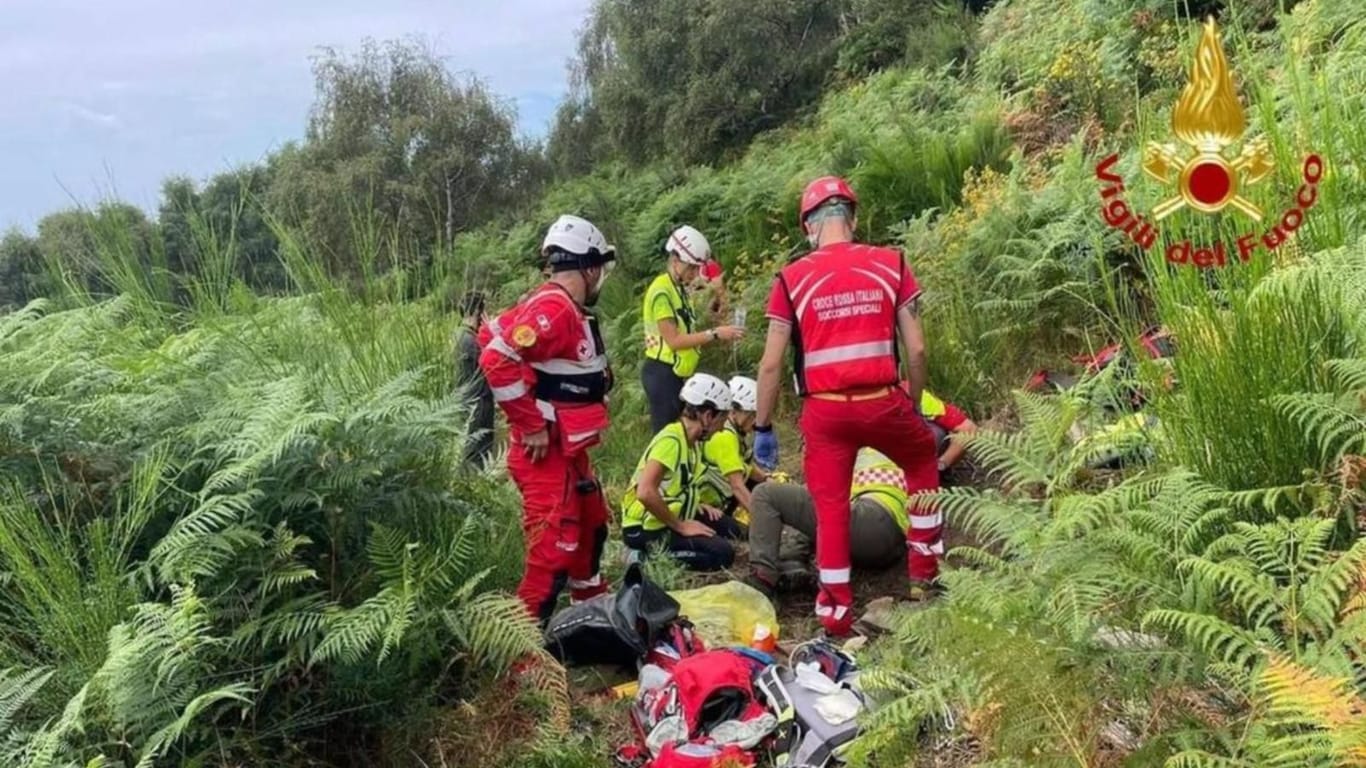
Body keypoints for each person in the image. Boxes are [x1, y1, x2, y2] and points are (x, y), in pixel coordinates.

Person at [752, 175, 941, 636]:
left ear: (808, 228)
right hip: (883, 401)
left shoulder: (791, 279)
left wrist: (762, 426)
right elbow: (915, 350)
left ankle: (834, 614)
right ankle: (925, 578)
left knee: (831, 506)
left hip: (826, 412)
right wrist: (913, 407)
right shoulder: (891, 263)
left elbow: (772, 364)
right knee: (921, 460)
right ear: (852, 219)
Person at [478, 214, 618, 624]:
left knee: (592, 522)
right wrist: (530, 424)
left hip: (568, 446)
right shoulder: (556, 309)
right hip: (546, 451)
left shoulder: (554, 306)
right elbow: (496, 359)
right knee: (553, 549)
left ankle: (588, 608)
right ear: (590, 267)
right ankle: (522, 649)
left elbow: (494, 336)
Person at [743, 445, 914, 598]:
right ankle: (792, 563)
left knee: (765, 494)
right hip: (892, 541)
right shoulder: (892, 453)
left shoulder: (849, 450)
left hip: (870, 520)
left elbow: (813, 497)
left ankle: (763, 579)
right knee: (818, 511)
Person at [621, 373, 745, 571]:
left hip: (665, 517)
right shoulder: (670, 442)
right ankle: (642, 556)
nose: (722, 428)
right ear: (707, 416)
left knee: (730, 529)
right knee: (722, 554)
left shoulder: (692, 443)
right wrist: (680, 526)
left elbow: (677, 485)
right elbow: (645, 492)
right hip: (644, 527)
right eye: (722, 418)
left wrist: (697, 505)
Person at [641, 226, 745, 433]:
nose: (695, 274)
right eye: (691, 268)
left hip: (679, 372)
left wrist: (717, 303)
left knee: (686, 435)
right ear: (675, 260)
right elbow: (675, 340)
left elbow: (688, 323)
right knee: (667, 440)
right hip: (662, 373)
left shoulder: (679, 289)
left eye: (697, 268)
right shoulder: (662, 291)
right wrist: (714, 333)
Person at [698, 375, 769, 526]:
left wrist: (767, 478)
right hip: (706, 507)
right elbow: (737, 485)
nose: (755, 421)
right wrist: (765, 520)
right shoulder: (725, 437)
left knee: (767, 488)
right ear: (734, 411)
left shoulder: (735, 432)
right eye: (751, 415)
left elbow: (743, 465)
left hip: (720, 497)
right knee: (740, 532)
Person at [454, 290, 496, 469]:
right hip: (478, 402)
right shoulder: (471, 340)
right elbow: (493, 366)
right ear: (479, 312)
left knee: (469, 448)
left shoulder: (458, 335)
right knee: (478, 454)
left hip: (465, 400)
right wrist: (492, 333)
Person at [918, 388, 978, 475]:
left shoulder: (914, 394)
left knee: (936, 433)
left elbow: (969, 429)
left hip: (924, 471)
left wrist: (941, 464)